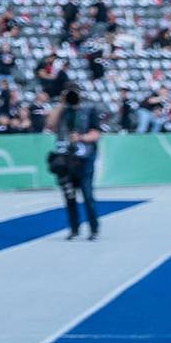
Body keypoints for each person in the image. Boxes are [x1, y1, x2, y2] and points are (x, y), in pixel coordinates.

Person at [48, 87, 103, 241]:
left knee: (87, 194)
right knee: (69, 196)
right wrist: (61, 103)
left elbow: (96, 133)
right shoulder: (63, 112)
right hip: (66, 159)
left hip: (85, 158)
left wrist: (81, 138)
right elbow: (50, 125)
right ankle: (74, 228)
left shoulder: (89, 110)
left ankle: (94, 228)